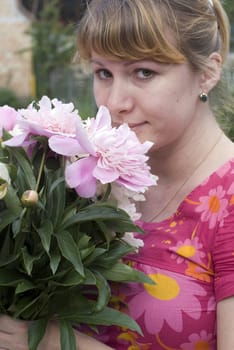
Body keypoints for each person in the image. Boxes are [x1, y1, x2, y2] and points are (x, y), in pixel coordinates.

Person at [0, 0, 234, 349]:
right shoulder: (79, 176)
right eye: (103, 73)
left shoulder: (226, 201)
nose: (114, 102)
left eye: (144, 72)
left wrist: (52, 342)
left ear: (207, 73)